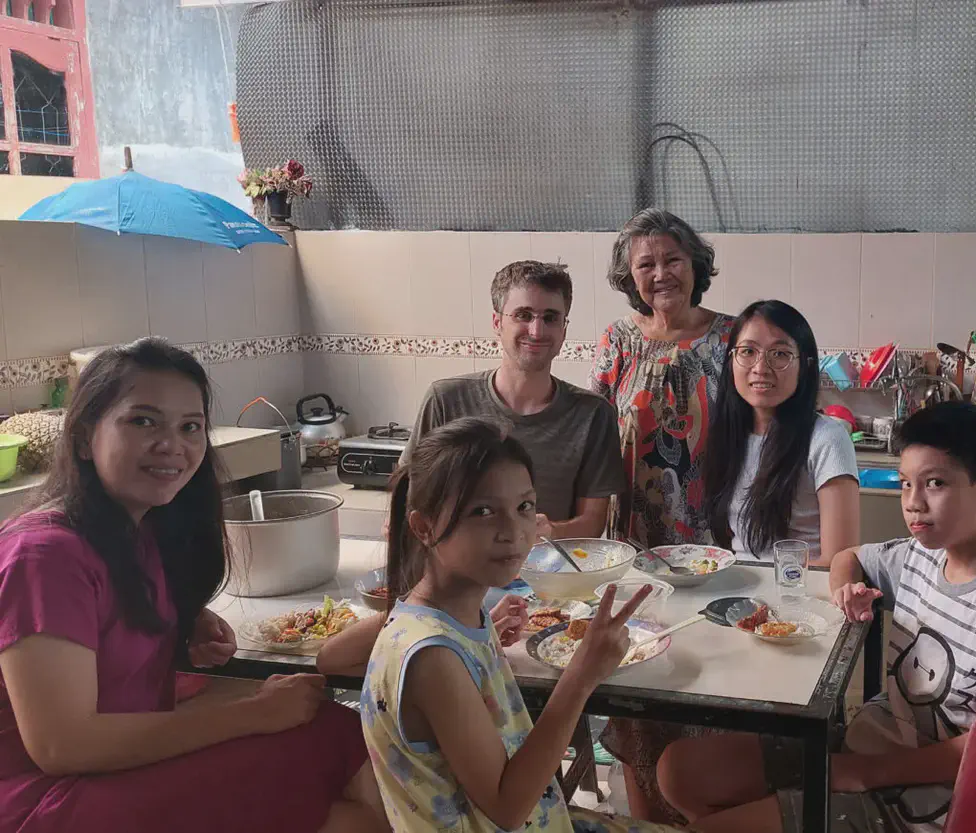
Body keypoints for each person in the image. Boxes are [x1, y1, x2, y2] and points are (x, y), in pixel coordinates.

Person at [0, 338, 385, 833]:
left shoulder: (134, 531)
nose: (172, 444)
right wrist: (253, 713)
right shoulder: (44, 555)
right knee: (342, 802)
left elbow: (105, 636)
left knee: (336, 731)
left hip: (115, 768)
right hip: (47, 799)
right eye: (142, 421)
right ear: (82, 437)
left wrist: (180, 621)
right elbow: (62, 744)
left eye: (190, 427)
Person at [657, 401, 976, 833]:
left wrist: (868, 773)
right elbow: (848, 557)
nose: (913, 504)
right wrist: (847, 588)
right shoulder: (918, 555)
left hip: (928, 794)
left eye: (935, 483)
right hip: (867, 744)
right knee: (679, 772)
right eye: (904, 485)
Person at [361, 417, 684, 833]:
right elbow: (506, 807)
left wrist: (486, 634)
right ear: (424, 527)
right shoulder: (433, 658)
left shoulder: (451, 620)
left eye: (524, 507)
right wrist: (581, 676)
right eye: (482, 511)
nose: (513, 531)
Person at [589, 207, 734, 822]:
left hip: (713, 542)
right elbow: (593, 434)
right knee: (636, 679)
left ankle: (705, 808)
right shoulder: (617, 341)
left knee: (707, 677)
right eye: (645, 264)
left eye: (672, 259)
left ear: (696, 264)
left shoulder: (732, 337)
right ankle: (646, 816)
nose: (660, 273)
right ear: (629, 275)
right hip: (634, 543)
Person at [401, 260, 624, 543]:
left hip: (549, 578)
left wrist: (550, 530)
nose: (537, 331)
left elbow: (592, 521)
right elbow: (408, 498)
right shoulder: (445, 400)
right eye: (523, 315)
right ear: (497, 323)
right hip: (460, 577)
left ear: (564, 330)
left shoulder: (593, 415)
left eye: (551, 318)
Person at [704, 300, 859, 565]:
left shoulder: (826, 439)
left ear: (806, 365)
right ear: (731, 360)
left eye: (780, 354)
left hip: (802, 595)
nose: (761, 368)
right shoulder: (729, 435)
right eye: (748, 351)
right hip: (741, 591)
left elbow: (840, 561)